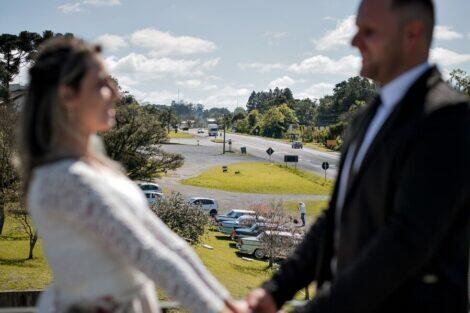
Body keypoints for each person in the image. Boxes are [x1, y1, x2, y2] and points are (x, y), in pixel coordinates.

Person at [246, 0, 470, 312]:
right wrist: (275, 290)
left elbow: (405, 244)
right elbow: (333, 220)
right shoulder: (367, 117)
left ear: (413, 33)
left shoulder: (445, 118)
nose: (354, 42)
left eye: (369, 31)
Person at [19, 37, 247, 313]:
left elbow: (172, 246)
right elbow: (147, 253)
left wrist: (226, 303)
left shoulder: (97, 166)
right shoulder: (65, 179)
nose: (117, 94)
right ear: (68, 95)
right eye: (102, 84)